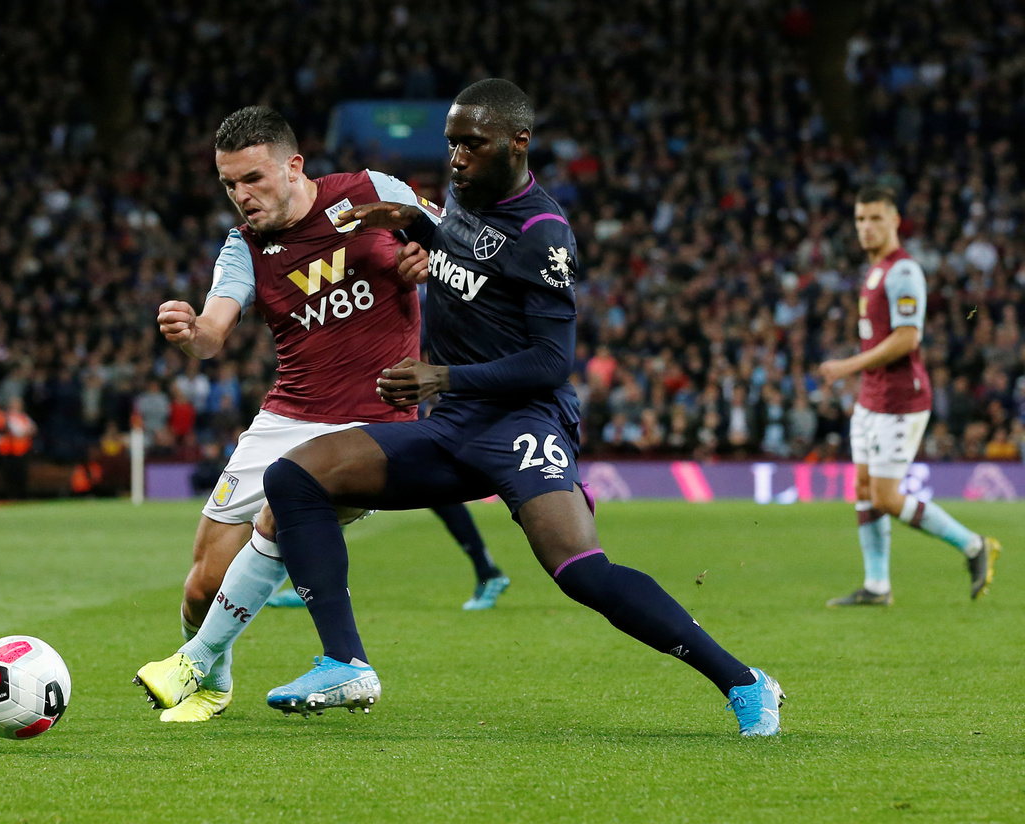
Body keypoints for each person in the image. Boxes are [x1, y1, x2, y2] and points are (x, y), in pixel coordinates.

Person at [251, 79, 783, 735]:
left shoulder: (543, 232)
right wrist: (417, 224)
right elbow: (471, 261)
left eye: (472, 144)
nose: (457, 158)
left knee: (581, 571)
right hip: (453, 425)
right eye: (452, 143)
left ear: (517, 142)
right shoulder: (462, 197)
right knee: (293, 476)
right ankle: (344, 663)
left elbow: (551, 361)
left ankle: (745, 682)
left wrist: (442, 377)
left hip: (522, 422)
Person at [133, 106, 507, 723]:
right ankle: (213, 681)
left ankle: (197, 665)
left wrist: (427, 264)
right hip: (287, 416)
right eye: (229, 184)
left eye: (253, 178)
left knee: (284, 511)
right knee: (202, 586)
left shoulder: (370, 191)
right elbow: (212, 333)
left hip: (371, 421)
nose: (241, 196)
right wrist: (190, 331)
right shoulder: (244, 247)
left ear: (293, 166)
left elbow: (460, 250)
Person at [819, 185, 999, 606]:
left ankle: (974, 545)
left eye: (875, 218)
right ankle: (877, 586)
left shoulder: (903, 271)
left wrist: (848, 365)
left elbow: (907, 338)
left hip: (901, 398)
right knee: (864, 487)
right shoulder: (875, 270)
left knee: (885, 495)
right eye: (860, 219)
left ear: (895, 220)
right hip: (872, 394)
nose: (866, 227)